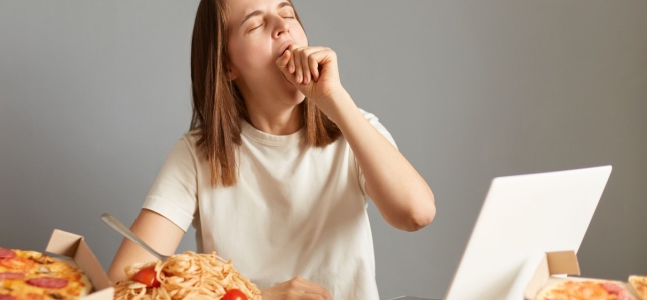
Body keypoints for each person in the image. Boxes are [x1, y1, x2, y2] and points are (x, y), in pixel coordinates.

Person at [108, 0, 435, 298]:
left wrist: (334, 99)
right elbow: (123, 286)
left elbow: (416, 214)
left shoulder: (354, 128)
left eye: (287, 13)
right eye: (254, 24)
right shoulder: (196, 155)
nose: (282, 26)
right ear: (226, 66)